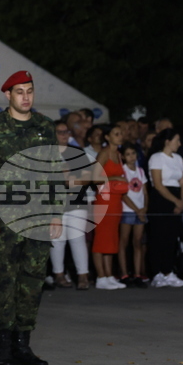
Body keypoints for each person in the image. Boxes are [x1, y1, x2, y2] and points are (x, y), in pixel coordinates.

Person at [0, 71, 60, 365]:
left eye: (30, 90)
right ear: (7, 95)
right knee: (4, 282)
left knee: (32, 282)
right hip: (4, 219)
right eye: (19, 91)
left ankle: (23, 345)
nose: (26, 96)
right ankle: (3, 346)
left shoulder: (45, 126)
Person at [50, 120, 91, 290]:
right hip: (54, 203)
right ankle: (59, 274)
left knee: (77, 238)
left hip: (76, 202)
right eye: (60, 132)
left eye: (66, 131)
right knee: (57, 239)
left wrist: (70, 181)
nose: (64, 135)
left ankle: (83, 276)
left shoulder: (78, 153)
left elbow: (87, 178)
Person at [146, 128, 183, 287]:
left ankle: (169, 270)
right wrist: (175, 201)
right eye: (177, 140)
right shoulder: (157, 158)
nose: (179, 143)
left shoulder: (177, 158)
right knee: (159, 237)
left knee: (172, 237)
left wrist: (180, 201)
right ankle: (157, 273)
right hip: (161, 199)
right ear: (167, 141)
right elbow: (157, 184)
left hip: (176, 196)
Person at [92, 123, 128, 290]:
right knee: (101, 239)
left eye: (120, 134)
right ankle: (100, 276)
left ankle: (108, 275)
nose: (119, 136)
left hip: (116, 201)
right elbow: (94, 177)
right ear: (107, 137)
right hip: (104, 200)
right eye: (116, 133)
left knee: (111, 238)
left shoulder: (119, 154)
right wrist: (114, 178)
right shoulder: (104, 153)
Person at [118, 143, 148, 286]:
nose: (131, 157)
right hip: (128, 210)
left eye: (133, 154)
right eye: (128, 154)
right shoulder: (122, 171)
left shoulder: (140, 171)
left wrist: (144, 208)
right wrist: (137, 210)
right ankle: (124, 274)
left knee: (137, 242)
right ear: (123, 157)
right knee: (124, 242)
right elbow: (123, 194)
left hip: (140, 211)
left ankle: (137, 274)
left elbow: (145, 192)